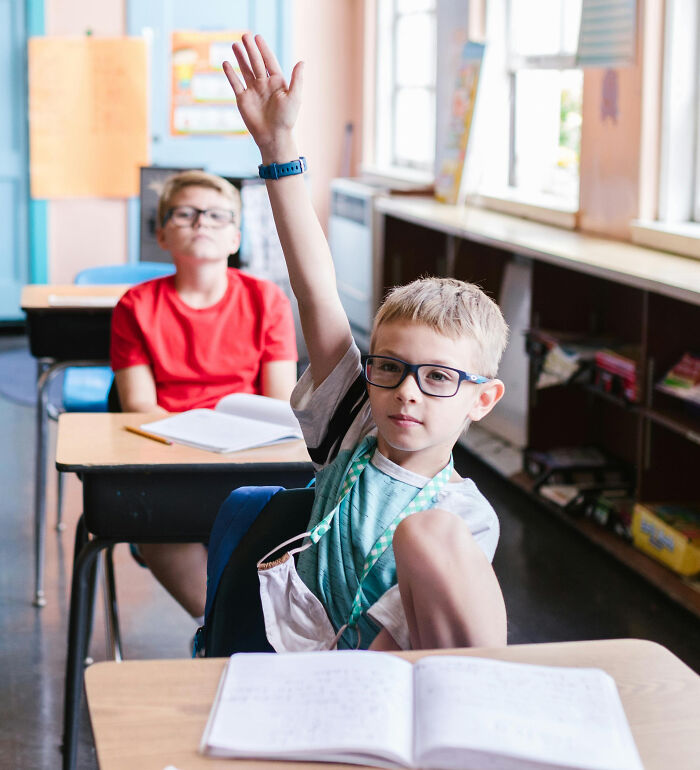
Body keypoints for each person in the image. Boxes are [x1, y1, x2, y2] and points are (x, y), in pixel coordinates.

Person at [221, 34, 509, 651]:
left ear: (482, 399)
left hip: (384, 688)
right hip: (292, 665)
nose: (407, 392)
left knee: (428, 538)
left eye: (438, 378)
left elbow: (410, 648)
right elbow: (316, 291)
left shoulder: (465, 520)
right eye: (390, 368)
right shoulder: (354, 425)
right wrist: (278, 144)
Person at [110, 169, 298, 621]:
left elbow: (279, 403)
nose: (202, 223)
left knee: (292, 516)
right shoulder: (135, 305)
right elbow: (139, 405)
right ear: (161, 234)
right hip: (171, 457)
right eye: (186, 214)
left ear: (235, 236)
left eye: (217, 215)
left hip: (251, 458)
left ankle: (249, 630)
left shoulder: (266, 299)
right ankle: (218, 629)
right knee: (152, 519)